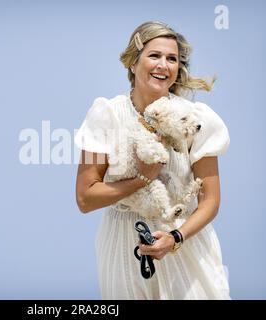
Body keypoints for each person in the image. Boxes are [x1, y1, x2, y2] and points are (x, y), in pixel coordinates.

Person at [74, 21, 230, 299]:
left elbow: (210, 200)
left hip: (184, 242)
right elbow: (86, 198)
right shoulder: (106, 114)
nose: (163, 65)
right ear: (134, 63)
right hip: (123, 246)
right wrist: (142, 178)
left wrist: (175, 239)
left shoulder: (194, 119)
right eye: (154, 55)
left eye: (172, 59)